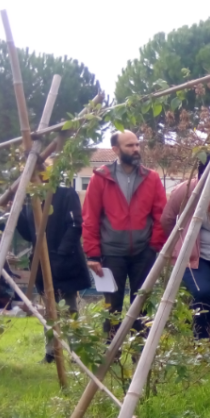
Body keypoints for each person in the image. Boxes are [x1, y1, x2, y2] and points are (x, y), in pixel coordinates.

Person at [82, 130, 167, 337]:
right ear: (115, 149)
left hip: (143, 252)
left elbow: (161, 215)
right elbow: (90, 217)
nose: (136, 149)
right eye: (130, 145)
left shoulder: (152, 178)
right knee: (112, 306)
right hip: (111, 253)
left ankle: (140, 355)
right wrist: (92, 254)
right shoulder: (100, 177)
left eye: (137, 144)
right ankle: (112, 355)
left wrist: (154, 246)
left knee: (142, 305)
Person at [162, 155, 210, 340]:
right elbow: (167, 219)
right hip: (197, 258)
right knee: (203, 293)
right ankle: (201, 340)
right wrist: (179, 246)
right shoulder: (189, 190)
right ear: (203, 170)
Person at [17, 184, 91, 361]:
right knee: (50, 308)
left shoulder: (66, 194)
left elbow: (74, 226)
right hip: (41, 262)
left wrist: (60, 255)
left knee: (69, 308)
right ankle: (51, 352)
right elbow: (30, 234)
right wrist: (18, 212)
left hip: (64, 261)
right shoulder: (32, 198)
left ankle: (76, 352)